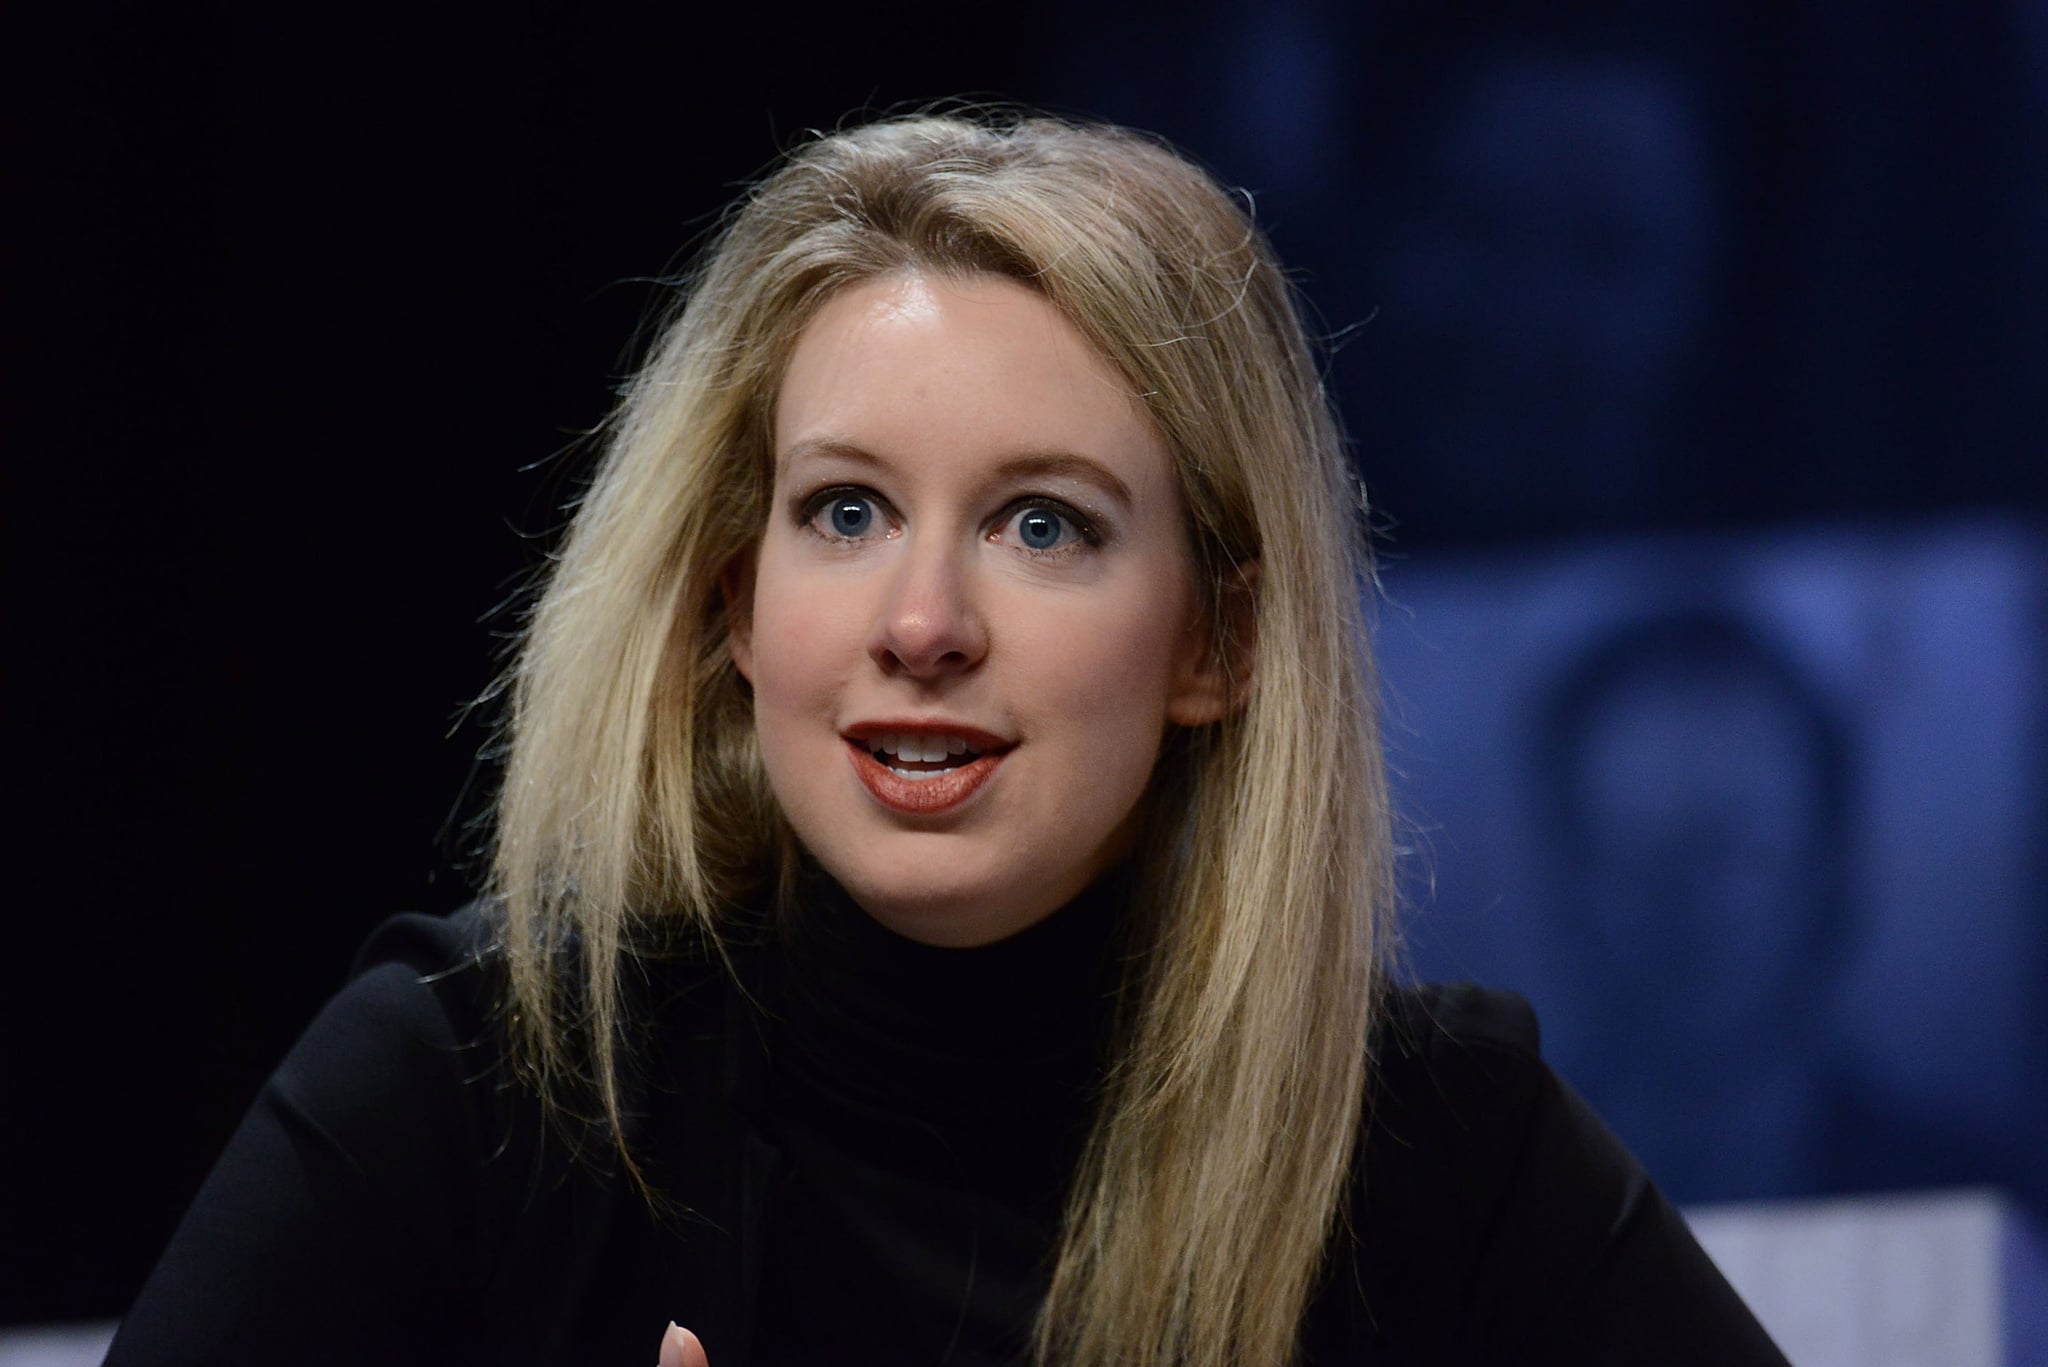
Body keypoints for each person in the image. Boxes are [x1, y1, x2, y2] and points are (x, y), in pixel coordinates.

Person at [107, 111, 1786, 1366]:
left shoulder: (1434, 1157)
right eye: (842, 510)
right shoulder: (468, 1093)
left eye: (1042, 527)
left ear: (1219, 640)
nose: (922, 623)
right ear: (729, 609)